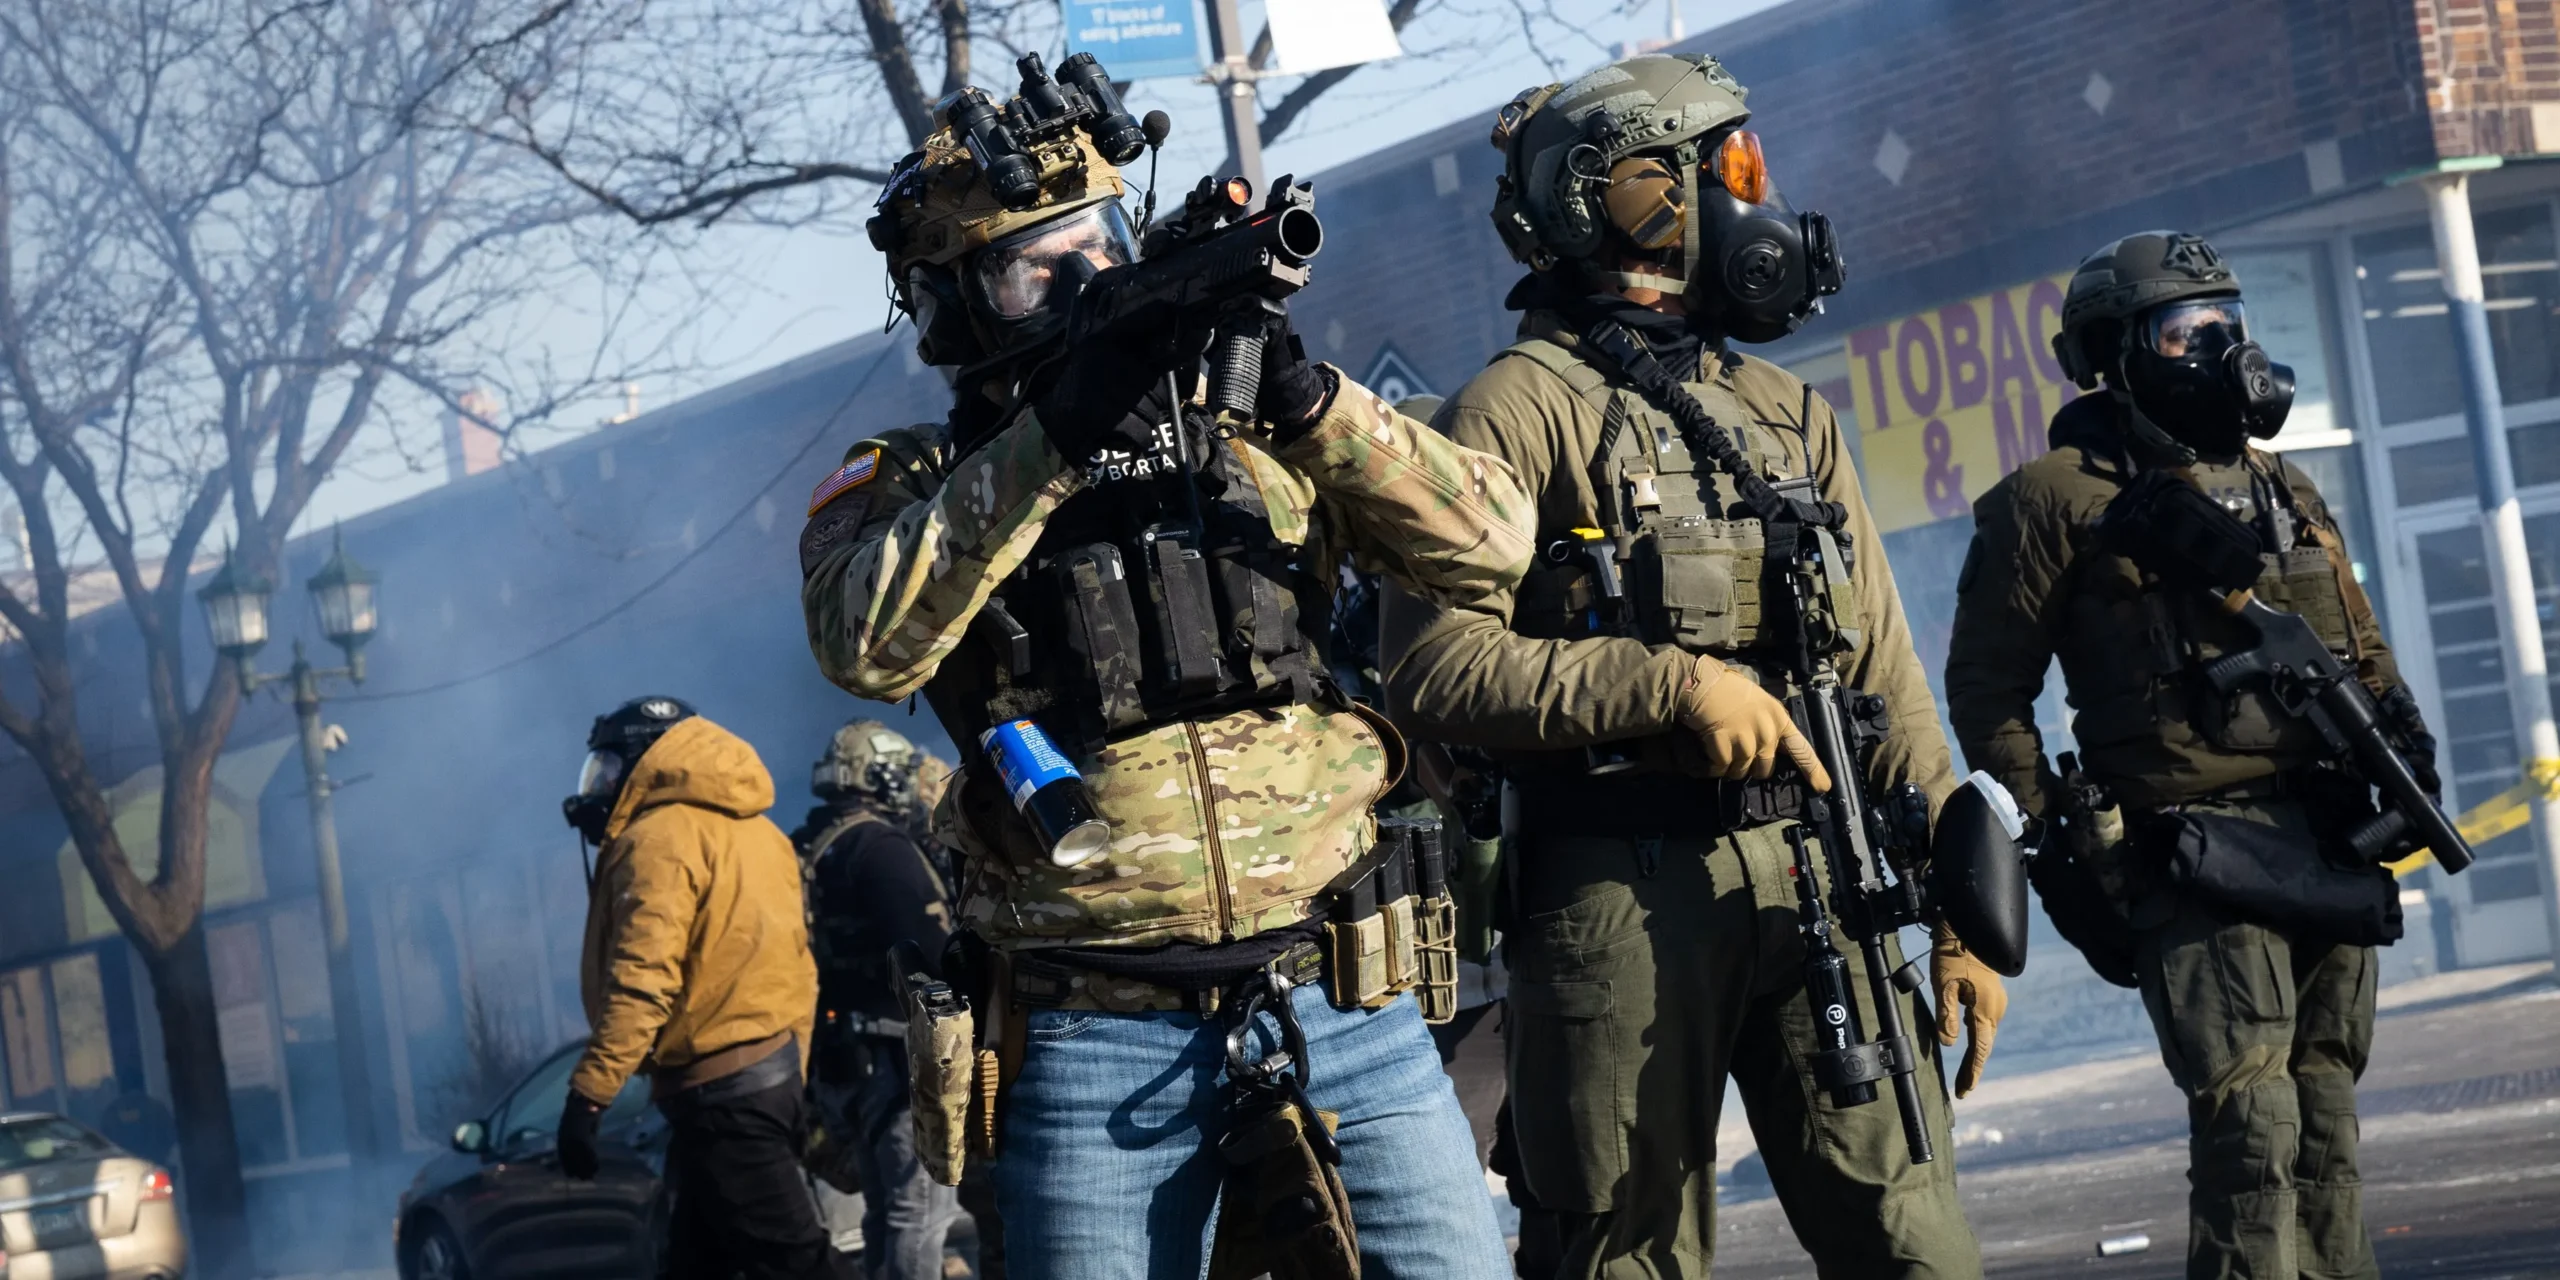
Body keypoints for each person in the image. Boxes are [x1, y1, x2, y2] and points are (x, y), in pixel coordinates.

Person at [799, 54, 1532, 1280]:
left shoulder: (1245, 427)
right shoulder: (916, 477)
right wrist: (1058, 428)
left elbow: (1493, 548)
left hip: (1347, 990)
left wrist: (1302, 394)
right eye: (1044, 264)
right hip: (1096, 1035)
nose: (1093, 276)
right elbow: (863, 641)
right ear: (956, 305)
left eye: (1105, 238)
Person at [1380, 52, 2001, 1278]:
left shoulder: (1785, 408)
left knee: (1917, 1245)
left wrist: (1958, 904)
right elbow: (1431, 668)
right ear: (1630, 195)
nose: (1756, 192)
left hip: (1825, 876)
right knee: (1625, 1254)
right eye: (1730, 164)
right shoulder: (1510, 412)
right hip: (1617, 887)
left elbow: (1888, 674)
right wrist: (1666, 685)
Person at [1944, 231, 2434, 1280]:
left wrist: (2403, 736)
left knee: (2326, 1119)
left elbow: (2358, 641)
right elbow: (1989, 692)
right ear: (2118, 353)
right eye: (2186, 332)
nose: (2221, 350)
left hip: (2323, 836)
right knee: (2250, 1130)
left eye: (2232, 327)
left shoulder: (2285, 488)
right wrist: (2068, 833)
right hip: (2196, 852)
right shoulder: (2055, 500)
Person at [556, 696, 839, 1279]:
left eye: (608, 769)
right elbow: (797, 969)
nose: (600, 787)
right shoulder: (759, 833)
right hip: (760, 1079)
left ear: (646, 760)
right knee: (693, 1264)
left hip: (723, 1096)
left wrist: (588, 1098)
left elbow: (642, 980)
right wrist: (793, 1077)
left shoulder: (656, 840)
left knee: (797, 1264)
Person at [792, 719, 968, 1280]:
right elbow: (937, 949)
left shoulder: (808, 844)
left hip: (840, 1057)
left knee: (882, 1209)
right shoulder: (880, 846)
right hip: (895, 1058)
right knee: (921, 1211)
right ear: (882, 778)